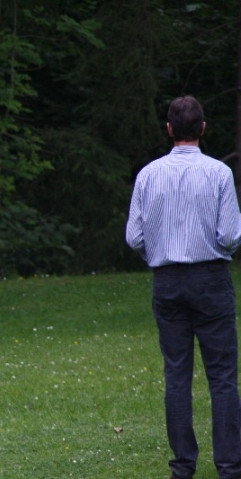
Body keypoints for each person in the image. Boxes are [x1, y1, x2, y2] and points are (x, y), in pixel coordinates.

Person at [126, 95, 241, 479]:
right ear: (203, 128)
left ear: (170, 129)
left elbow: (134, 237)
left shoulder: (147, 175)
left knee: (177, 374)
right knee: (222, 376)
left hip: (168, 281)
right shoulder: (219, 174)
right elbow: (230, 235)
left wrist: (160, 250)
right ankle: (229, 466)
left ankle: (182, 466)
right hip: (210, 278)